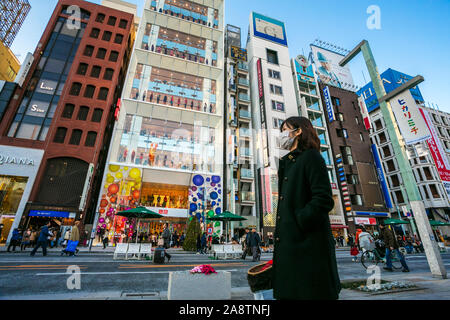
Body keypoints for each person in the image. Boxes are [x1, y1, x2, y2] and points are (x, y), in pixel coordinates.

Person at [273, 117, 341, 300]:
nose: (281, 135)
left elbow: (323, 199)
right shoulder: (287, 162)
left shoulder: (311, 157)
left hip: (308, 246)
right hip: (291, 246)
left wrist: (299, 221)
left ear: (298, 131)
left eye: (285, 129)